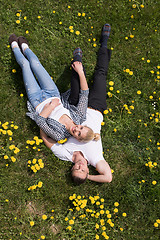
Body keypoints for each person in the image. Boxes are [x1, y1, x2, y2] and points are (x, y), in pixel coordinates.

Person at [40, 23, 112, 184]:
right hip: (97, 107)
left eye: (76, 169)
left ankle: (77, 61)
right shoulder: (95, 159)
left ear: (71, 168)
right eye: (83, 170)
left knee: (77, 86)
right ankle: (105, 42)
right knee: (101, 75)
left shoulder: (67, 154)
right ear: (87, 170)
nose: (80, 166)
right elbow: (108, 178)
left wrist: (42, 124)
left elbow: (46, 140)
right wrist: (89, 177)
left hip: (75, 107)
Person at [9, 34, 100, 142]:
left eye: (78, 134)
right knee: (35, 63)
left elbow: (40, 121)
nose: (76, 129)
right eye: (81, 128)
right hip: (52, 92)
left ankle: (14, 47)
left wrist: (51, 107)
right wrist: (80, 72)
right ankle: (25, 48)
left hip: (37, 101)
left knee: (25, 65)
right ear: (83, 125)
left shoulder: (59, 135)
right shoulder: (79, 116)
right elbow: (84, 94)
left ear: (77, 139)